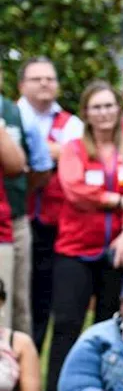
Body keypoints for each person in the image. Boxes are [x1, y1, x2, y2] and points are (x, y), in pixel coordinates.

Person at [46, 81, 123, 391]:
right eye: (96, 107)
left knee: (109, 324)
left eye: (109, 106)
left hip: (116, 250)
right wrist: (116, 200)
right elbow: (74, 190)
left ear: (118, 110)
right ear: (86, 113)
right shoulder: (74, 148)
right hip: (74, 249)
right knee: (67, 323)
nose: (104, 113)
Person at [17, 57, 82, 356]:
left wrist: (35, 153)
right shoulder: (13, 115)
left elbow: (77, 156)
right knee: (17, 300)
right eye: (37, 79)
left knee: (45, 301)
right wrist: (55, 152)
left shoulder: (72, 123)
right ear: (22, 85)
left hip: (57, 226)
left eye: (50, 78)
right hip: (18, 220)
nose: (45, 83)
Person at [0, 71, 51, 339]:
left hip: (10, 220)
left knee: (14, 306)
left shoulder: (14, 113)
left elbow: (24, 166)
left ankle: (16, 376)